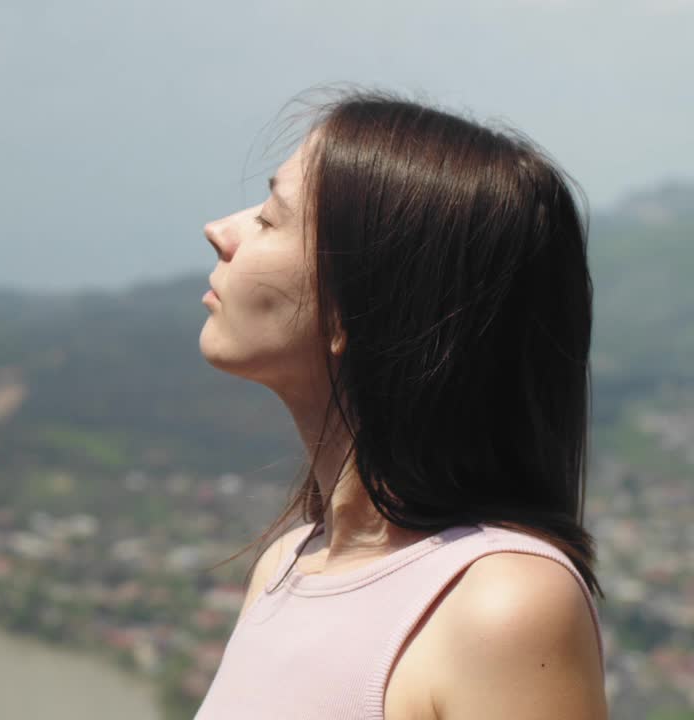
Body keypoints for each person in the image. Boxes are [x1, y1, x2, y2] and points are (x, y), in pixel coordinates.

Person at [194, 86, 608, 719]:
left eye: (270, 218)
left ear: (356, 308)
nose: (220, 231)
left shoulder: (498, 603)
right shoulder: (288, 565)